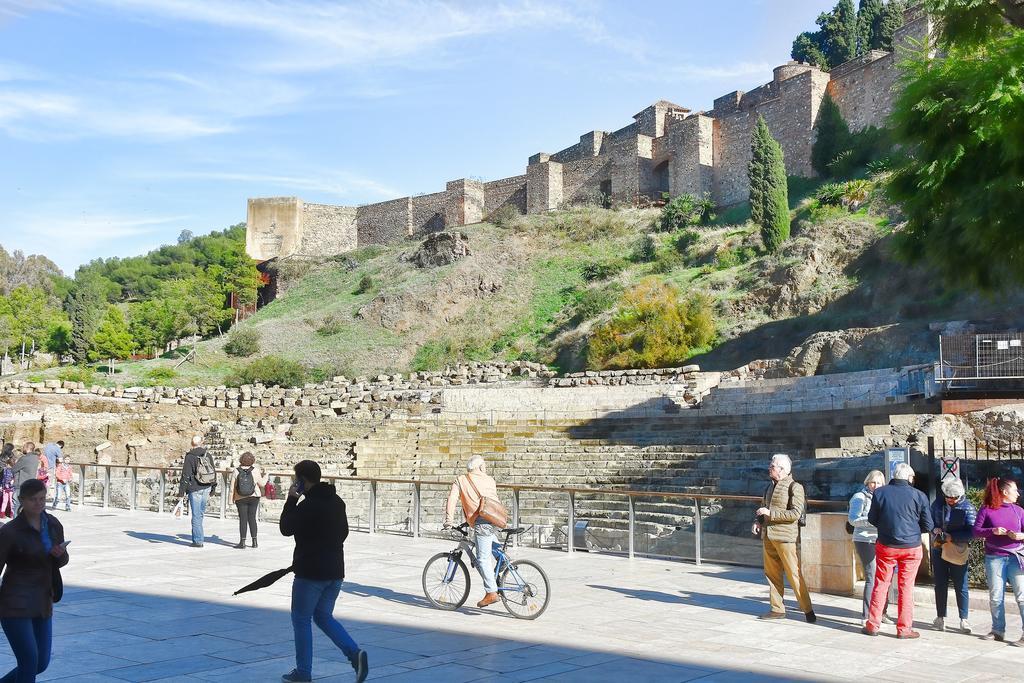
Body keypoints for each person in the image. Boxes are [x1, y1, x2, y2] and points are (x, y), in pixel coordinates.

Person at [279, 460, 367, 683]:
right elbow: (344, 533)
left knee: (301, 619)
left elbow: (286, 528)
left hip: (310, 572)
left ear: (301, 481)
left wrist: (291, 499)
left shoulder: (307, 506)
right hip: (335, 571)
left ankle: (303, 672)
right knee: (323, 615)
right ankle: (354, 654)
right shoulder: (337, 501)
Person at [0, 478, 69, 682]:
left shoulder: (53, 524)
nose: (39, 504)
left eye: (42, 499)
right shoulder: (10, 532)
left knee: (41, 663)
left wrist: (60, 555)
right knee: (29, 661)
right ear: (22, 500)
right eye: (33, 500)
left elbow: (62, 560)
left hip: (42, 600)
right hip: (15, 602)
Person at [862, 463, 932, 638]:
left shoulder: (880, 492)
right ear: (909, 478)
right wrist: (913, 531)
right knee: (906, 588)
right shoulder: (919, 495)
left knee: (881, 584)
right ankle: (904, 629)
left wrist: (887, 529)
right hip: (911, 547)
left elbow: (872, 518)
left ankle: (873, 625)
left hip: (886, 546)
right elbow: (928, 525)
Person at [752, 453, 815, 622]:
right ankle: (777, 609)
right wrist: (758, 521)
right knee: (772, 575)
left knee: (793, 574)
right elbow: (763, 507)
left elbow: (795, 513)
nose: (769, 468)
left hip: (785, 538)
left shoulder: (795, 487)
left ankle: (808, 610)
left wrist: (770, 514)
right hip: (768, 536)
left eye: (772, 466)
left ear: (783, 470)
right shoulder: (769, 487)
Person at [443, 455, 502, 609]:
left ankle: (491, 592)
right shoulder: (490, 480)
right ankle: (502, 559)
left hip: (481, 522)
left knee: (482, 558)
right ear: (481, 467)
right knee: (485, 541)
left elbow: (452, 499)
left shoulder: (461, 480)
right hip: (495, 519)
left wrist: (449, 520)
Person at [972, 477, 1024, 645]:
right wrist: (992, 530)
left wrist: (1020, 536)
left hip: (1016, 557)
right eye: (1015, 490)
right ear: (1004, 492)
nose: (1018, 493)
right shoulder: (987, 510)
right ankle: (997, 630)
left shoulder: (1019, 511)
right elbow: (976, 531)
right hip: (994, 557)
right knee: (996, 596)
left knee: (1022, 596)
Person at [929, 477, 976, 634]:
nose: (951, 500)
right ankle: (940, 617)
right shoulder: (937, 504)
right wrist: (934, 529)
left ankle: (964, 619)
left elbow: (972, 532)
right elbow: (928, 520)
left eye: (954, 498)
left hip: (957, 549)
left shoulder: (968, 508)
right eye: (948, 497)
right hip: (939, 548)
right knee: (940, 584)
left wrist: (952, 537)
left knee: (960, 584)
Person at [848, 470, 894, 626]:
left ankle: (882, 612)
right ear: (867, 482)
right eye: (872, 482)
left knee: (885, 576)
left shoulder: (884, 498)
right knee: (872, 576)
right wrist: (873, 521)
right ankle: (867, 615)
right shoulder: (859, 497)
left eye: (879, 483)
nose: (875, 485)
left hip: (882, 539)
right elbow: (853, 520)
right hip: (864, 539)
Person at [177, 435, 217, 548]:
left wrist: (181, 492)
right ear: (202, 442)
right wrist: (213, 487)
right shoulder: (207, 454)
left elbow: (186, 475)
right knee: (200, 514)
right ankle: (199, 536)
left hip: (194, 489)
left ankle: (198, 541)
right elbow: (213, 472)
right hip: (206, 487)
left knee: (196, 515)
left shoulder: (190, 456)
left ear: (191, 443)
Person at [232, 452, 267, 550]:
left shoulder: (236, 471)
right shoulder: (255, 471)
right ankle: (254, 541)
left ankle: (242, 542)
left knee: (243, 519)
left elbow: (232, 488)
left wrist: (231, 500)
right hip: (254, 496)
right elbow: (262, 484)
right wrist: (267, 475)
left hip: (240, 497)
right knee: (252, 518)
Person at [12, 444, 40, 518]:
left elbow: (14, 469)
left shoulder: (25, 458)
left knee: (17, 505)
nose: (22, 448)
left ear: (28, 448)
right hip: (30, 484)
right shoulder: (35, 458)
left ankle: (15, 526)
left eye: (24, 447)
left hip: (21, 484)